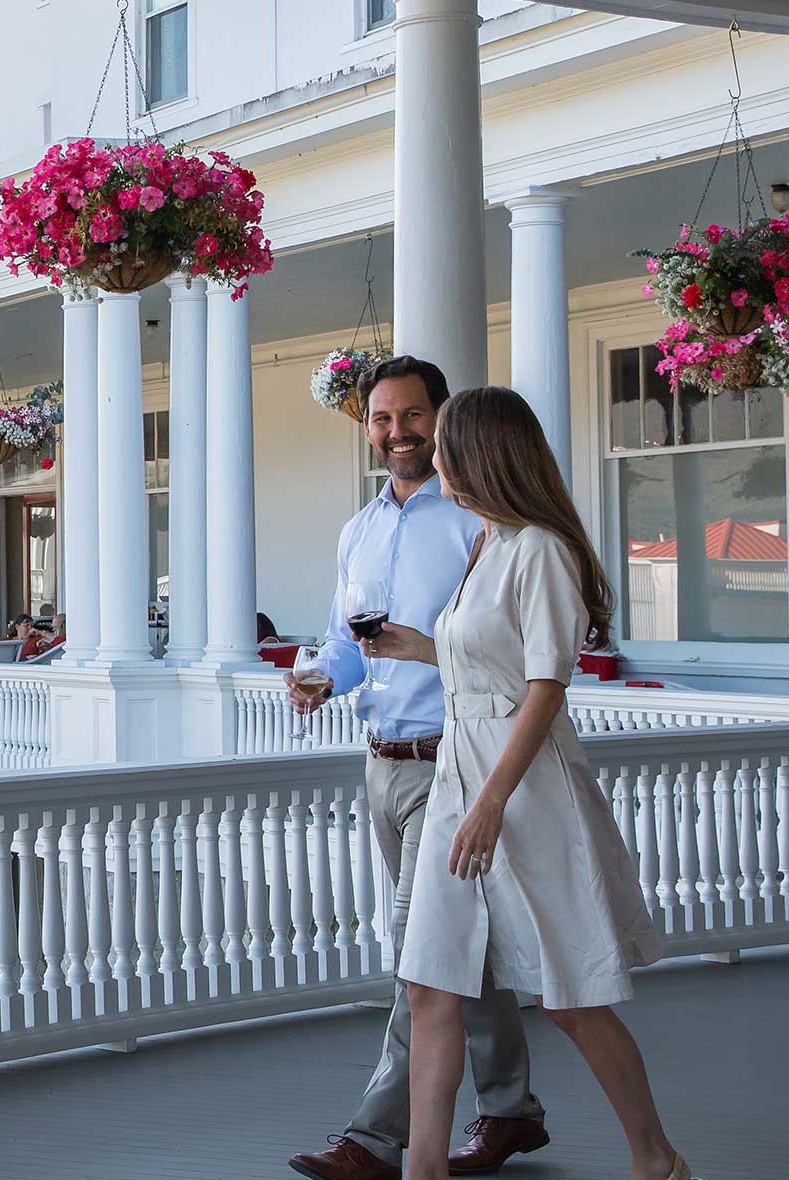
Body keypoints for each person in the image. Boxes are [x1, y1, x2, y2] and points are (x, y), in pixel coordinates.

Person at [371, 388, 685, 1180]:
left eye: (443, 443)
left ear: (481, 453)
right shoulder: (487, 543)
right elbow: (486, 666)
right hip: (457, 779)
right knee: (429, 984)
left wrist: (491, 802)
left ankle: (657, 1159)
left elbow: (546, 686)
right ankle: (424, 1169)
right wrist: (417, 649)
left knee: (571, 993)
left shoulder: (539, 547)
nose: (431, 456)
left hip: (520, 787)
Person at [285, 357, 547, 1180]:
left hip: (456, 763)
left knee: (419, 956)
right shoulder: (358, 531)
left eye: (412, 416)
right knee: (463, 949)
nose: (397, 432)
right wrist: (325, 678)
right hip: (383, 764)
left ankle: (373, 1139)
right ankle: (510, 1111)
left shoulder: (478, 521)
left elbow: (505, 653)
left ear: (442, 417)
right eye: (381, 418)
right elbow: (349, 643)